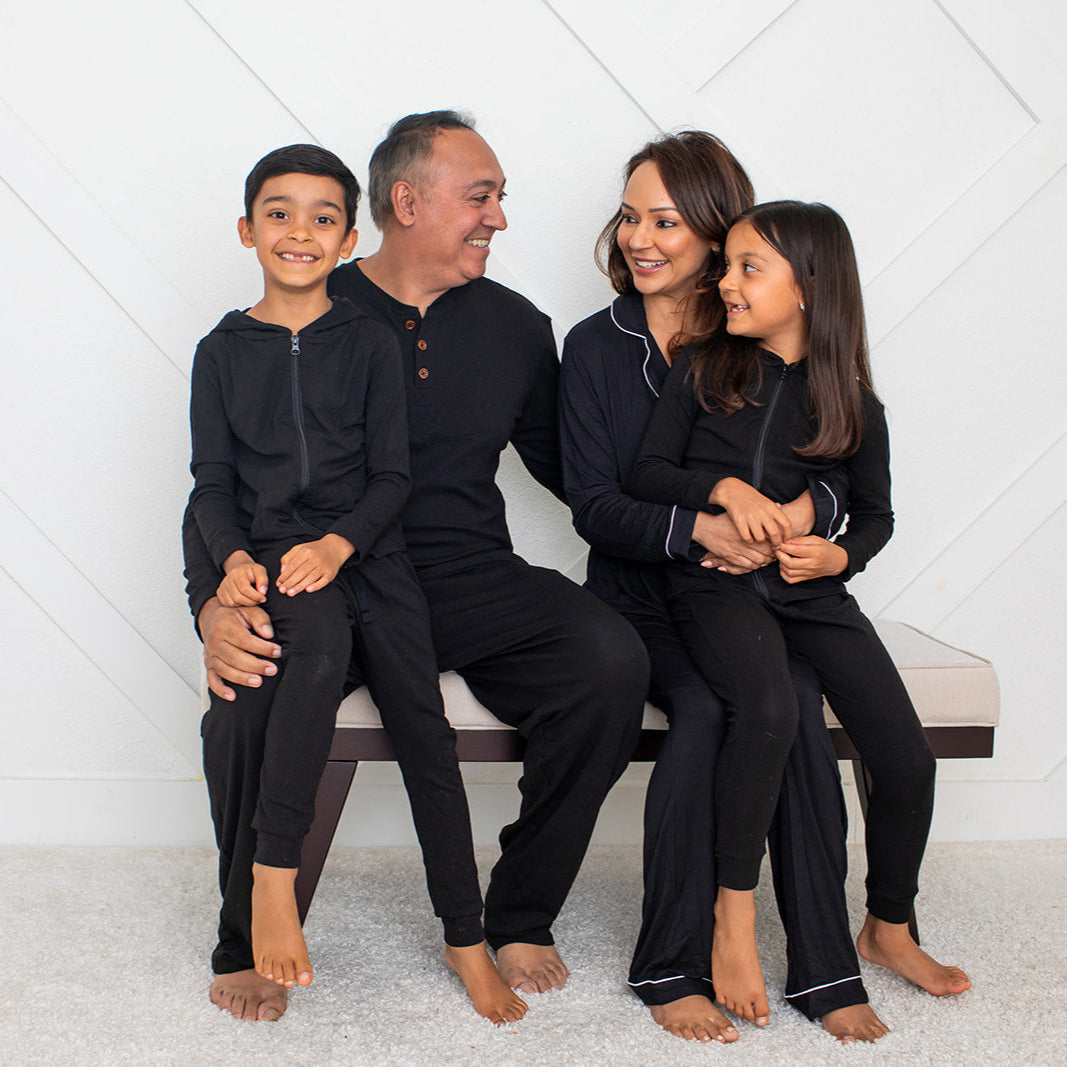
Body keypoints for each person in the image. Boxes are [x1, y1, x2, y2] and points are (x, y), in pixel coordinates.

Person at [182, 114, 648, 1021]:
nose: (499, 219)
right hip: (332, 581)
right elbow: (218, 478)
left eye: (499, 199)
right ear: (405, 202)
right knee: (244, 702)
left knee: (609, 662)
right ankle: (245, 933)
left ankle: (515, 913)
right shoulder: (318, 302)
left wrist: (692, 506)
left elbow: (578, 478)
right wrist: (211, 606)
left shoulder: (518, 326)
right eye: (482, 197)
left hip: (471, 574)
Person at [560, 133, 891, 1043]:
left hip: (750, 600)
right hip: (642, 595)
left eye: (665, 219)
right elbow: (593, 501)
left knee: (793, 702)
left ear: (719, 233)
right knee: (710, 713)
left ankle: (826, 965)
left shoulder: (749, 331)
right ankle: (671, 960)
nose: (640, 237)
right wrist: (706, 525)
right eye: (630, 215)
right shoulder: (594, 346)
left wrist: (797, 520)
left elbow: (834, 457)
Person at [630, 199, 971, 1025]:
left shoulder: (851, 403)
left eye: (749, 267)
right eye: (727, 265)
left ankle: (887, 923)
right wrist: (724, 487)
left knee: (904, 756)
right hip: (711, 586)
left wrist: (839, 554)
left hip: (811, 594)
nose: (726, 282)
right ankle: (733, 911)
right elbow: (646, 472)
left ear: (809, 289)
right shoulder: (704, 367)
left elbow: (876, 516)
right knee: (771, 708)